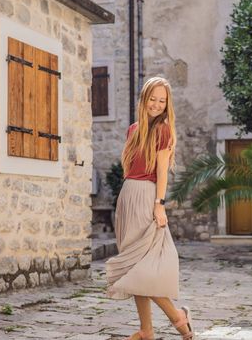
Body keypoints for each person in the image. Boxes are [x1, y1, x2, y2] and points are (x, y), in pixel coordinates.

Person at [105, 77, 194, 340]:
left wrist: (159, 204)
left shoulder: (164, 130)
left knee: (142, 268)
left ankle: (178, 317)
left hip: (147, 198)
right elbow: (129, 168)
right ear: (144, 100)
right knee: (134, 266)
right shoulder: (133, 130)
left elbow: (162, 172)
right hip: (128, 196)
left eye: (162, 101)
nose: (156, 105)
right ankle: (146, 330)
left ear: (167, 105)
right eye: (152, 99)